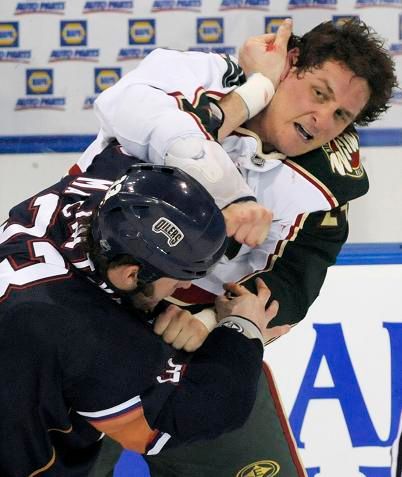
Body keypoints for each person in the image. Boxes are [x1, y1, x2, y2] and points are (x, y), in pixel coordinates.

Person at [73, 18, 397, 477]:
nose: (323, 118)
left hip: (187, 345)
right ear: (289, 65)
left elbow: (292, 282)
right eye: (319, 93)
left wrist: (209, 321)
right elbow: (131, 112)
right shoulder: (197, 76)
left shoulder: (325, 183)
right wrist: (255, 92)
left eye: (342, 114)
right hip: (76, 312)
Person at [0, 153, 283, 476]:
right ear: (131, 275)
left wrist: (153, 310)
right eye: (178, 276)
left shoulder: (82, 197)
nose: (183, 286)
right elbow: (189, 415)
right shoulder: (87, 333)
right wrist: (242, 328)